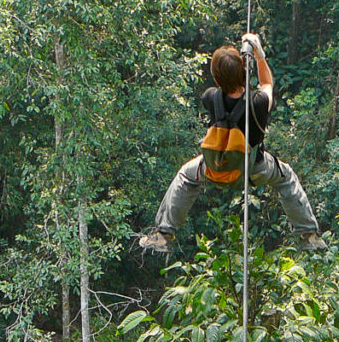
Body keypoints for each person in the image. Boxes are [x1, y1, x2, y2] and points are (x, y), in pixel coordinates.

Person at [140, 33, 327, 253]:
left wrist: (233, 71)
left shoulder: (210, 98)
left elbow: (223, 87)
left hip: (214, 167)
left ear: (217, 78)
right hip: (254, 170)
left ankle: (164, 233)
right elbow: (266, 83)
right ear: (242, 73)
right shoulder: (258, 103)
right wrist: (258, 55)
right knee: (286, 178)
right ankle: (308, 235)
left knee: (185, 175)